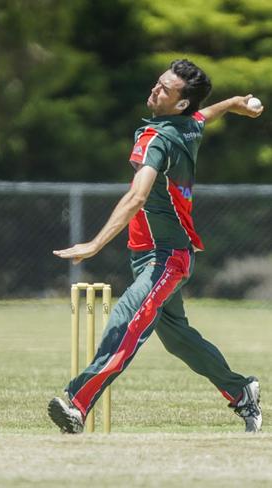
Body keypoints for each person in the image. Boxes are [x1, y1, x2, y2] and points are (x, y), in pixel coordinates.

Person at [49, 59, 264, 433]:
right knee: (179, 339)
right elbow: (204, 115)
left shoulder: (157, 139)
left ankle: (77, 405)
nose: (155, 89)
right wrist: (233, 103)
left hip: (166, 258)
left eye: (165, 89)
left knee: (125, 320)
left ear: (181, 103)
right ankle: (242, 391)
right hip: (152, 254)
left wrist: (95, 244)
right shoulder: (188, 126)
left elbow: (137, 197)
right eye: (158, 82)